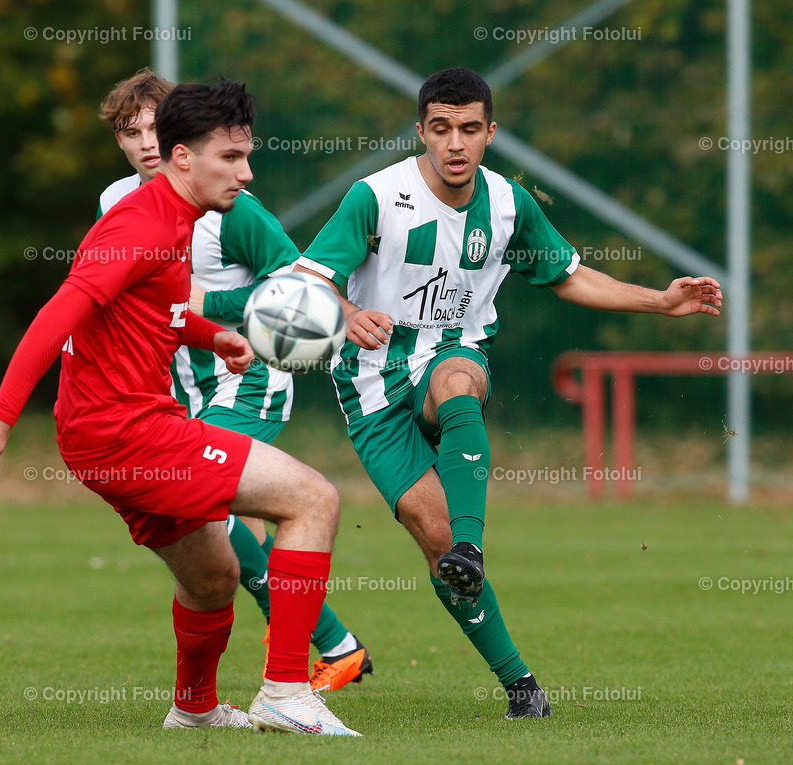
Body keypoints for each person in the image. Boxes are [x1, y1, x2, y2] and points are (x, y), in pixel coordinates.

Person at [295, 67, 723, 720]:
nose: (455, 143)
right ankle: (521, 685)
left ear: (491, 133)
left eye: (469, 128)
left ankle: (473, 540)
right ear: (421, 133)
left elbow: (569, 276)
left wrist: (661, 302)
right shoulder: (376, 198)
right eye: (441, 129)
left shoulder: (508, 204)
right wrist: (348, 310)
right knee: (433, 536)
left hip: (453, 351)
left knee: (457, 380)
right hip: (372, 383)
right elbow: (308, 280)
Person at [0, 78, 359, 736]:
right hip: (128, 433)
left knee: (215, 574)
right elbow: (60, 312)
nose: (245, 171)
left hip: (112, 432)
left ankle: (193, 708)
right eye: (231, 157)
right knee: (313, 499)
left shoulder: (176, 217)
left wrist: (210, 335)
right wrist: (0, 415)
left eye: (247, 155)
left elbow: (158, 309)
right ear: (183, 158)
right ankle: (286, 688)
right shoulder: (138, 224)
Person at [95, 67, 372, 692]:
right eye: (126, 131)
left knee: (199, 508)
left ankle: (322, 646)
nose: (142, 142)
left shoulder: (234, 210)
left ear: (181, 137)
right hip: (183, 389)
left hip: (250, 377)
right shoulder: (116, 203)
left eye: (150, 127)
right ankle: (331, 646)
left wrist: (207, 306)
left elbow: (298, 287)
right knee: (208, 525)